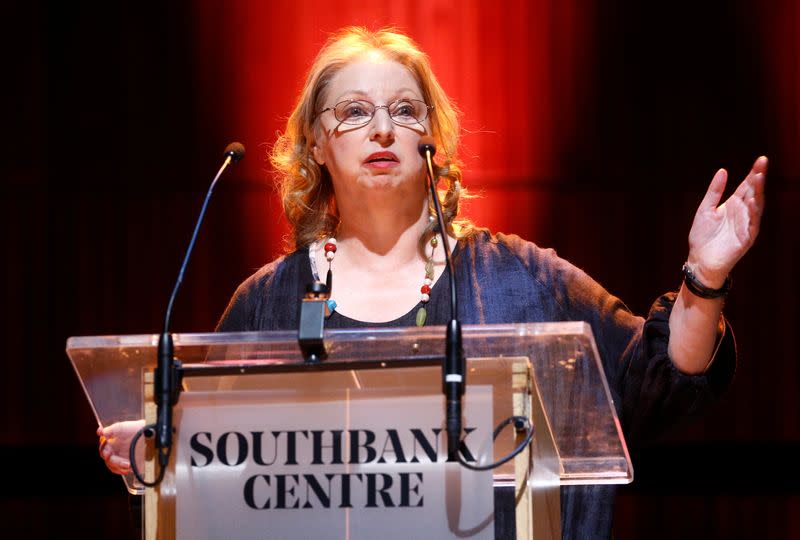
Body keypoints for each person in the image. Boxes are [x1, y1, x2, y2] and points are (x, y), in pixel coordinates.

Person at [99, 27, 767, 538]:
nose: (383, 127)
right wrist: (161, 444)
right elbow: (217, 466)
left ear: (432, 141)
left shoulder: (519, 279)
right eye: (354, 111)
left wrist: (703, 280)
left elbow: (656, 382)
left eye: (405, 109)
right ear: (315, 146)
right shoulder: (266, 304)